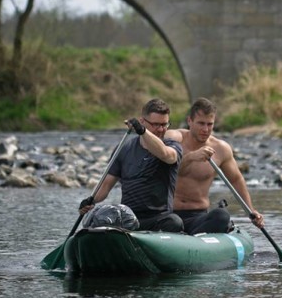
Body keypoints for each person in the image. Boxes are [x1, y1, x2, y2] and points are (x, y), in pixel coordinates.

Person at [79, 98, 183, 232]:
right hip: (128, 217)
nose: (161, 129)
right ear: (142, 121)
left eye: (164, 124)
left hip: (159, 218)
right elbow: (105, 186)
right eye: (156, 124)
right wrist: (90, 201)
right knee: (99, 219)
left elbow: (166, 155)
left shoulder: (172, 146)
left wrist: (143, 131)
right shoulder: (123, 148)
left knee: (175, 222)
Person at [165, 98, 265, 235]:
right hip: (168, 213)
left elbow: (236, 179)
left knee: (221, 216)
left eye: (209, 124)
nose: (205, 129)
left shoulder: (221, 149)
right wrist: (191, 157)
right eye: (201, 123)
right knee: (169, 222)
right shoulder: (175, 138)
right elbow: (164, 168)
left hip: (197, 215)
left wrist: (251, 210)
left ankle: (190, 240)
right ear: (189, 121)